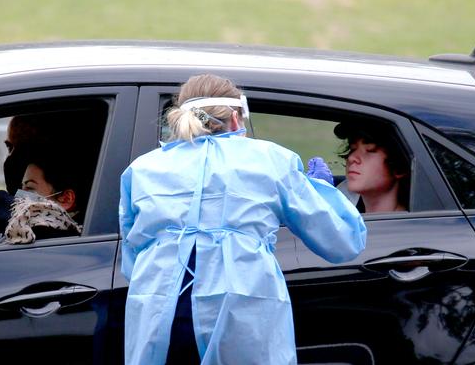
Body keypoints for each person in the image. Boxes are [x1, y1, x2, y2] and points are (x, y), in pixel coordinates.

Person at [119, 74, 367, 365]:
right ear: (237, 117)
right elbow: (343, 242)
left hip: (159, 317)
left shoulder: (142, 168)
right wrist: (322, 191)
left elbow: (132, 257)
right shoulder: (270, 160)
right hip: (240, 316)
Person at [0, 148, 84, 244]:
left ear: (66, 199)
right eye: (22, 188)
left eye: (30, 188)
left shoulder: (47, 232)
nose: (20, 196)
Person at [334, 120, 411, 213]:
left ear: (399, 166)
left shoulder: (409, 226)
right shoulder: (346, 216)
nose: (351, 158)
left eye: (370, 150)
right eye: (353, 149)